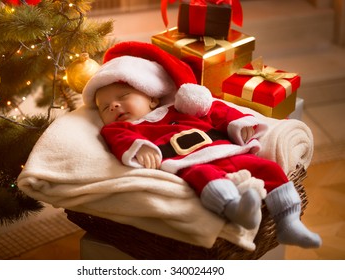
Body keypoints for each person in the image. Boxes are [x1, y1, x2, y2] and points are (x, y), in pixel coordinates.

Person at [82, 41, 322, 248]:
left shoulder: (180, 106)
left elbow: (216, 110)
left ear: (152, 97)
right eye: (105, 107)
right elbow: (119, 139)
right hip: (185, 161)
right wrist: (141, 147)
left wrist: (240, 124)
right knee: (205, 177)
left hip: (224, 148)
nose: (113, 106)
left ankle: (289, 222)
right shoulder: (124, 127)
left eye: (123, 97)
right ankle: (235, 210)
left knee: (268, 169)